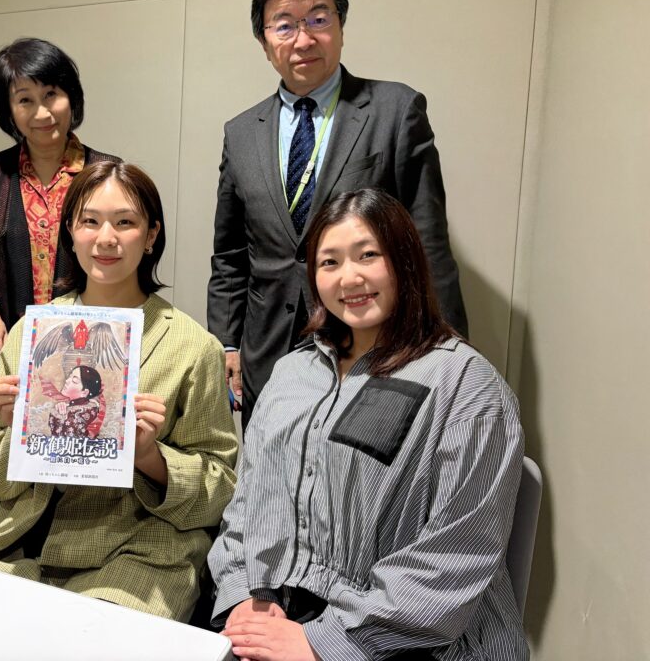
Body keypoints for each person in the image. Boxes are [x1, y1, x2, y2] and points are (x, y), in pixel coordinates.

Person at [209, 188, 526, 660]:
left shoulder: (465, 384)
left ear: (404, 260)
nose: (349, 277)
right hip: (285, 614)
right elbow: (249, 501)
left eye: (368, 255)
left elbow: (457, 552)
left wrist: (322, 642)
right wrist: (244, 593)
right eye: (329, 262)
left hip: (413, 641)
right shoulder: (292, 372)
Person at [0, 160, 239, 621]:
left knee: (94, 639)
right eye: (90, 221)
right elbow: (0, 481)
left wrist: (149, 456)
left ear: (151, 235)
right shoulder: (32, 334)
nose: (106, 238)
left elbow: (220, 490)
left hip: (141, 556)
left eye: (125, 222)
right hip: (24, 548)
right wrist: (17, 430)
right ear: (71, 232)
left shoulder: (192, 347)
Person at [208, 0, 468, 427]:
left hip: (374, 341)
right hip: (268, 346)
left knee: (363, 462)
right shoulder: (240, 133)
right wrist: (226, 341)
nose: (303, 39)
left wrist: (449, 350)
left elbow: (428, 241)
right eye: (284, 25)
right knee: (273, 464)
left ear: (341, 25)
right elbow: (230, 254)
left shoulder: (395, 110)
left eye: (318, 19)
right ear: (264, 42)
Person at [0, 38, 120, 350]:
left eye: (51, 94)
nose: (42, 113)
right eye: (25, 100)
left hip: (90, 343)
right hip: (7, 344)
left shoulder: (107, 174)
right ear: (9, 109)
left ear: (71, 96)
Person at [48, 364, 104, 438]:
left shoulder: (85, 412)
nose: (67, 381)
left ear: (84, 392)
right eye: (69, 377)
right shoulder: (77, 406)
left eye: (74, 381)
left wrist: (59, 414)